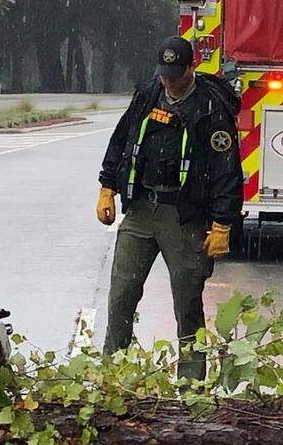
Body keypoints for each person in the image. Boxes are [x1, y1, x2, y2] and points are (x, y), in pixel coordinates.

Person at [97, 36, 242, 380]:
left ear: (193, 67)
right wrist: (107, 186)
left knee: (187, 305)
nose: (168, 81)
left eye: (175, 75)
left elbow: (227, 170)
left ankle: (190, 385)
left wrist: (223, 223)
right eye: (164, 73)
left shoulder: (211, 108)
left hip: (185, 217)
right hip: (142, 210)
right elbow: (122, 140)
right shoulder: (148, 94)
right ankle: (112, 375)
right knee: (121, 295)